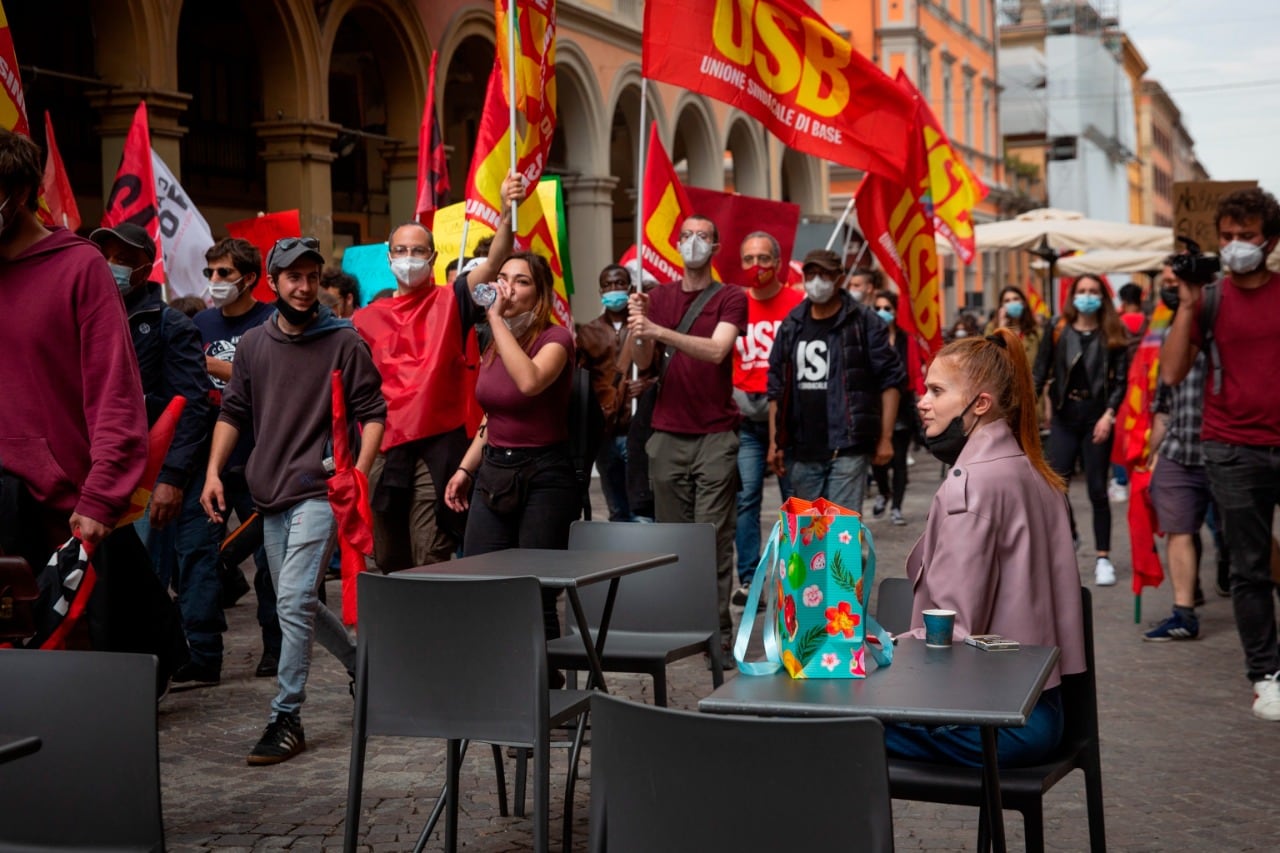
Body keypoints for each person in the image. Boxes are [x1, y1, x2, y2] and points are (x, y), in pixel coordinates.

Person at [0, 129, 184, 693]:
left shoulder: (80, 269)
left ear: (23, 192)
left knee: (73, 696)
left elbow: (115, 396)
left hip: (62, 519)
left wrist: (101, 496)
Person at [201, 236, 385, 764]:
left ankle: (286, 716)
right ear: (274, 283)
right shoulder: (256, 345)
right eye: (293, 278)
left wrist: (357, 473)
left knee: (290, 601)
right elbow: (233, 412)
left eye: (311, 277)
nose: (304, 288)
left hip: (319, 490)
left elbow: (373, 411)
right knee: (298, 601)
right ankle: (363, 665)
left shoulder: (344, 340)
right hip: (268, 493)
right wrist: (213, 472)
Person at [886, 328, 1086, 766]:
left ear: (980, 403)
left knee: (833, 726)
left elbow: (950, 632)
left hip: (994, 720)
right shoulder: (1035, 473)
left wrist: (874, 648)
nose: (922, 401)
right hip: (1040, 711)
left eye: (937, 390)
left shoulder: (972, 484)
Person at [353, 174, 523, 571]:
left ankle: (434, 626)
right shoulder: (362, 320)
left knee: (431, 550)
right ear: (389, 256)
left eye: (418, 250)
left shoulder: (452, 299)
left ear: (431, 257)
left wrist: (504, 212)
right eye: (401, 249)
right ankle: (400, 628)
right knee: (388, 552)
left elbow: (496, 260)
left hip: (438, 446)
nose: (409, 257)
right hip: (384, 446)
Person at [1160, 187, 1280, 720]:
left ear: (1269, 240)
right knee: (1249, 569)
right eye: (1227, 237)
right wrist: (1187, 305)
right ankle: (1265, 673)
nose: (1235, 246)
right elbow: (1171, 371)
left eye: (1246, 237)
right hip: (1231, 447)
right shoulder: (1209, 299)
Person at [91, 223, 218, 690]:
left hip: (146, 479)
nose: (112, 262)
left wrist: (170, 477)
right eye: (105, 251)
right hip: (97, 474)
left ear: (146, 266)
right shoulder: (85, 315)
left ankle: (152, 675)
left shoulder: (170, 325)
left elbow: (188, 406)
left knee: (143, 580)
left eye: (123, 255)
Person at [627, 214, 748, 662]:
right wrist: (639, 325)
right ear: (676, 244)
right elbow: (645, 359)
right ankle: (681, 630)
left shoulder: (730, 297)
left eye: (703, 236)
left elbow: (717, 350)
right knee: (675, 541)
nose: (694, 242)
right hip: (668, 432)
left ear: (715, 247)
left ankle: (717, 634)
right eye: (687, 236)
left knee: (712, 536)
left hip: (715, 433)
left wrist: (658, 330)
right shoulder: (658, 297)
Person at [444, 251, 577, 646]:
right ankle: (495, 669)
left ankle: (546, 679)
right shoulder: (493, 340)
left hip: (545, 476)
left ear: (540, 295)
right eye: (503, 277)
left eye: (521, 281)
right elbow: (492, 416)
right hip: (495, 472)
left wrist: (496, 319)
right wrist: (465, 469)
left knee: (536, 588)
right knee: (482, 576)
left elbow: (530, 382)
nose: (508, 287)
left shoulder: (556, 339)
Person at [192, 237, 282, 679]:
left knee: (269, 560)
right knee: (203, 557)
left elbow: (270, 375)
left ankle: (275, 646)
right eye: (210, 273)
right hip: (215, 459)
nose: (215, 281)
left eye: (224, 274)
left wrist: (214, 365)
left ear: (248, 278)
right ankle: (203, 654)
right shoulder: (202, 322)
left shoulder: (271, 321)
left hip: (261, 459)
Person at [767, 249, 903, 514]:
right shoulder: (791, 324)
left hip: (848, 447)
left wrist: (885, 438)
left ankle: (847, 557)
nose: (817, 281)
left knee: (841, 534)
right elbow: (777, 387)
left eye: (825, 274)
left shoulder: (864, 321)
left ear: (840, 278)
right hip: (802, 449)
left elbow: (891, 381)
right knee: (809, 538)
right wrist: (775, 442)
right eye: (811, 274)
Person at [1033, 274, 1129, 587]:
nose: (1087, 296)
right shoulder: (1057, 328)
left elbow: (1120, 381)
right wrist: (1024, 408)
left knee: (1097, 490)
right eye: (1082, 291)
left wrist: (1109, 415)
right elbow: (1040, 371)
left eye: (1093, 291)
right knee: (1054, 484)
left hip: (1096, 416)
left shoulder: (1112, 332)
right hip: (1064, 415)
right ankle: (1071, 534)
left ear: (1103, 297)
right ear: (1072, 295)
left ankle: (1103, 557)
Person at [731, 231, 803, 606]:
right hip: (746, 420)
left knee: (793, 498)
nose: (755, 266)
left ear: (777, 262)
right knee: (746, 499)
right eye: (748, 258)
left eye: (763, 258)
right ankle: (750, 579)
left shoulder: (797, 303)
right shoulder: (733, 304)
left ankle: (795, 577)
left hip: (787, 421)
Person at [1145, 263, 1214, 641]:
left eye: (1177, 284)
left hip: (1226, 446)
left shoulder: (1222, 321)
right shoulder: (1171, 328)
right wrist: (1152, 455)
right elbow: (1164, 397)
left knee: (1245, 537)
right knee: (1178, 529)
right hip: (1179, 446)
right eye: (1167, 285)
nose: (1170, 291)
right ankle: (1184, 612)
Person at [576, 264, 650, 522]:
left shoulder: (645, 327)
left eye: (619, 284)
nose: (613, 289)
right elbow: (581, 382)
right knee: (617, 509)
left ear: (630, 288)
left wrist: (647, 385)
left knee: (642, 507)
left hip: (637, 430)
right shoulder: (587, 333)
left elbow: (663, 371)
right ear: (600, 291)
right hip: (604, 432)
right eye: (608, 285)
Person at [869, 290, 924, 526]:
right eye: (877, 308)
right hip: (873, 407)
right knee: (877, 459)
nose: (882, 313)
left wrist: (922, 397)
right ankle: (884, 491)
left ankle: (897, 508)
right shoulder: (868, 336)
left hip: (902, 405)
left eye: (887, 308)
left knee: (899, 459)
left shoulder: (906, 339)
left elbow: (914, 370)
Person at [985, 285, 1044, 370]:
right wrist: (1001, 327)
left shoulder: (1036, 331)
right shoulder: (992, 328)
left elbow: (1044, 360)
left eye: (1016, 299)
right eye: (1007, 301)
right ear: (1002, 306)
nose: (1012, 303)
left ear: (1023, 303)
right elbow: (989, 356)